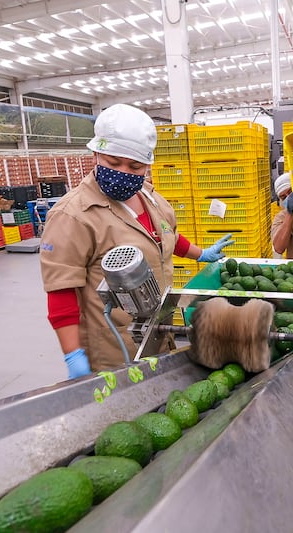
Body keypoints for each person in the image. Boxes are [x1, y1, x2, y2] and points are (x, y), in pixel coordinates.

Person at [40, 104, 234, 379]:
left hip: (158, 331)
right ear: (96, 154)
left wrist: (200, 254)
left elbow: (168, 237)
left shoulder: (150, 197)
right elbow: (61, 290)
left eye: (135, 166)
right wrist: (73, 355)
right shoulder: (73, 215)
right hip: (113, 346)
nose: (123, 171)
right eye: (113, 162)